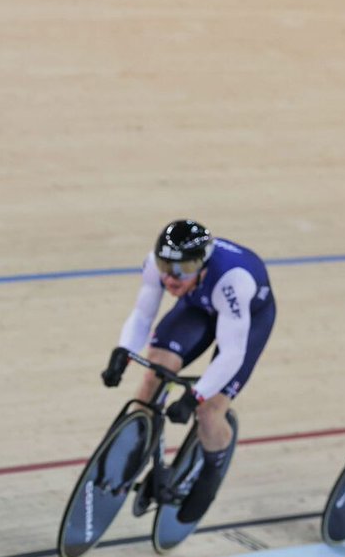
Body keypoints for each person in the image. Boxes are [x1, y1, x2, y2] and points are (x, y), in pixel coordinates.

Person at [100, 220, 276, 522]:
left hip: (247, 321)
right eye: (166, 267)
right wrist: (124, 352)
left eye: (182, 269)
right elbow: (143, 314)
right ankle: (135, 451)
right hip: (198, 306)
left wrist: (195, 396)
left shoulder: (233, 281)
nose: (171, 278)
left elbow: (232, 353)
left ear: (203, 265)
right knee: (154, 376)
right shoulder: (161, 269)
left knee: (209, 411)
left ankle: (211, 470)